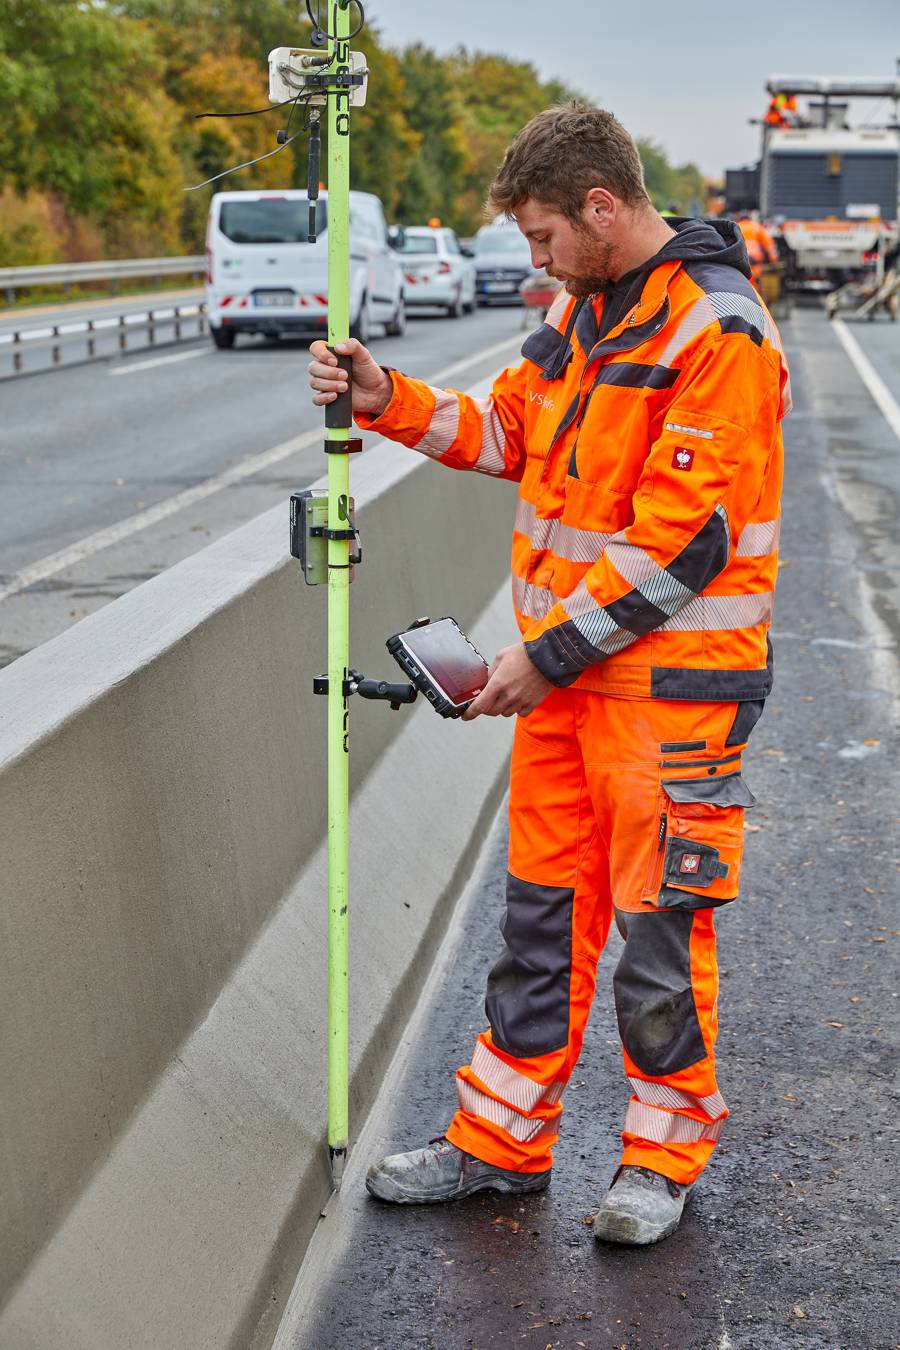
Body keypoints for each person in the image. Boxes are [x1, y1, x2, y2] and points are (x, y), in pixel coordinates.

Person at [308, 102, 789, 1247]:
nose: (536, 262)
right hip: (573, 693)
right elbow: (512, 432)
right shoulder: (585, 317)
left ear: (603, 208)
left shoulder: (715, 331)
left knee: (661, 935)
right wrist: (389, 403)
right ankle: (501, 1144)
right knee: (541, 925)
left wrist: (543, 654)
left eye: (542, 238)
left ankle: (661, 1160)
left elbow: (686, 544)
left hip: (672, 700)